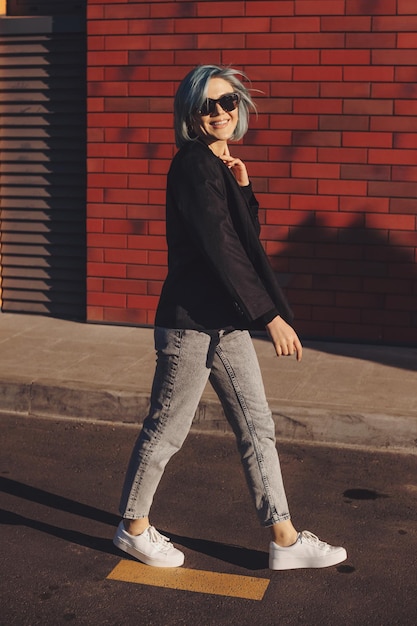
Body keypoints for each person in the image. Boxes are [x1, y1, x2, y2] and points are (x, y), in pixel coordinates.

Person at [113, 64, 347, 571]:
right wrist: (270, 316)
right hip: (192, 322)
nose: (219, 112)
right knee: (167, 430)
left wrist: (243, 187)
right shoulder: (193, 165)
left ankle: (284, 539)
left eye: (228, 102)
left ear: (239, 106)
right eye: (207, 105)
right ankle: (133, 528)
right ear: (191, 114)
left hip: (224, 323)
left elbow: (242, 239)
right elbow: (223, 251)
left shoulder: (217, 166)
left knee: (257, 426)